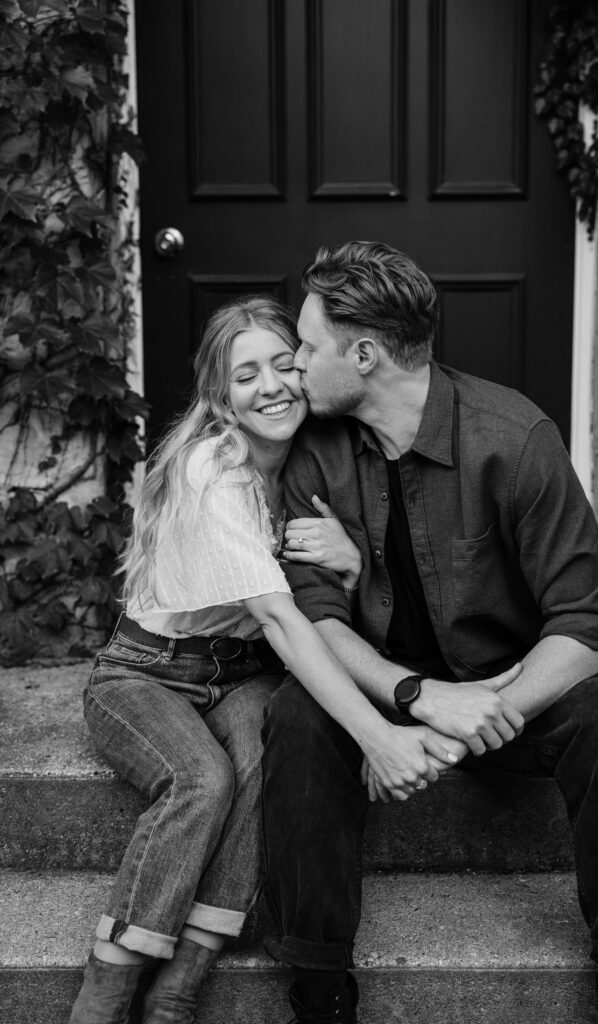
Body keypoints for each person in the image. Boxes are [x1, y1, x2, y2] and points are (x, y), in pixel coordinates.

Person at [261, 242, 598, 1024]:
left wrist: (481, 715)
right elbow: (315, 619)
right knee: (294, 714)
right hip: (379, 685)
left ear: (364, 355)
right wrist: (417, 698)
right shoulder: (313, 449)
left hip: (503, 686)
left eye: (308, 348)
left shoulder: (512, 437)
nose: (295, 366)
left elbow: (590, 620)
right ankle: (319, 992)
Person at [69, 295, 461, 1024]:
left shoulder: (321, 458)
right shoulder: (211, 469)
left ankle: (177, 992)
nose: (272, 386)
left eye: (285, 363)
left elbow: (350, 599)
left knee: (265, 765)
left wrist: (351, 564)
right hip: (147, 671)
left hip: (245, 672)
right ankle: (105, 994)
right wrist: (377, 735)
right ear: (221, 396)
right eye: (246, 375)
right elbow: (281, 616)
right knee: (202, 779)